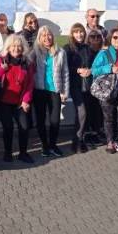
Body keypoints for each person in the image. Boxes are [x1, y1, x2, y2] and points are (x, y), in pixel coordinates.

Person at [0, 34, 35, 163]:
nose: (16, 48)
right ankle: (8, 153)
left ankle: (23, 153)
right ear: (8, 47)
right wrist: (2, 70)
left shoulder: (27, 62)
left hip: (20, 102)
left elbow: (30, 83)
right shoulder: (1, 60)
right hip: (4, 102)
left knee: (24, 126)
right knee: (8, 127)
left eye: (19, 46)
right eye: (13, 46)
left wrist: (26, 100)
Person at [29, 26, 69, 157]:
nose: (47, 38)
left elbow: (65, 73)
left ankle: (53, 145)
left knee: (55, 120)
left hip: (55, 91)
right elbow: (25, 64)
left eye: (49, 35)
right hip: (39, 90)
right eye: (43, 35)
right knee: (40, 120)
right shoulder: (34, 52)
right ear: (39, 38)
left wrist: (64, 92)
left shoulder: (60, 52)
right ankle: (44, 145)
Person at [63, 23, 94, 153]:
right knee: (82, 112)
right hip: (75, 85)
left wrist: (90, 70)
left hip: (88, 84)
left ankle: (80, 139)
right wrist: (77, 70)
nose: (79, 34)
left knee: (82, 114)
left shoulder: (88, 48)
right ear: (72, 34)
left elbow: (93, 64)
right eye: (76, 32)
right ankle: (77, 140)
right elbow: (64, 67)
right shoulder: (68, 48)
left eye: (81, 32)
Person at [86, 29, 106, 143]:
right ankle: (89, 134)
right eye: (92, 37)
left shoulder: (104, 52)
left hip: (102, 85)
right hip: (88, 85)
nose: (95, 39)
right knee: (89, 110)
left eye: (98, 36)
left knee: (100, 110)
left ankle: (98, 132)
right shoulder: (86, 51)